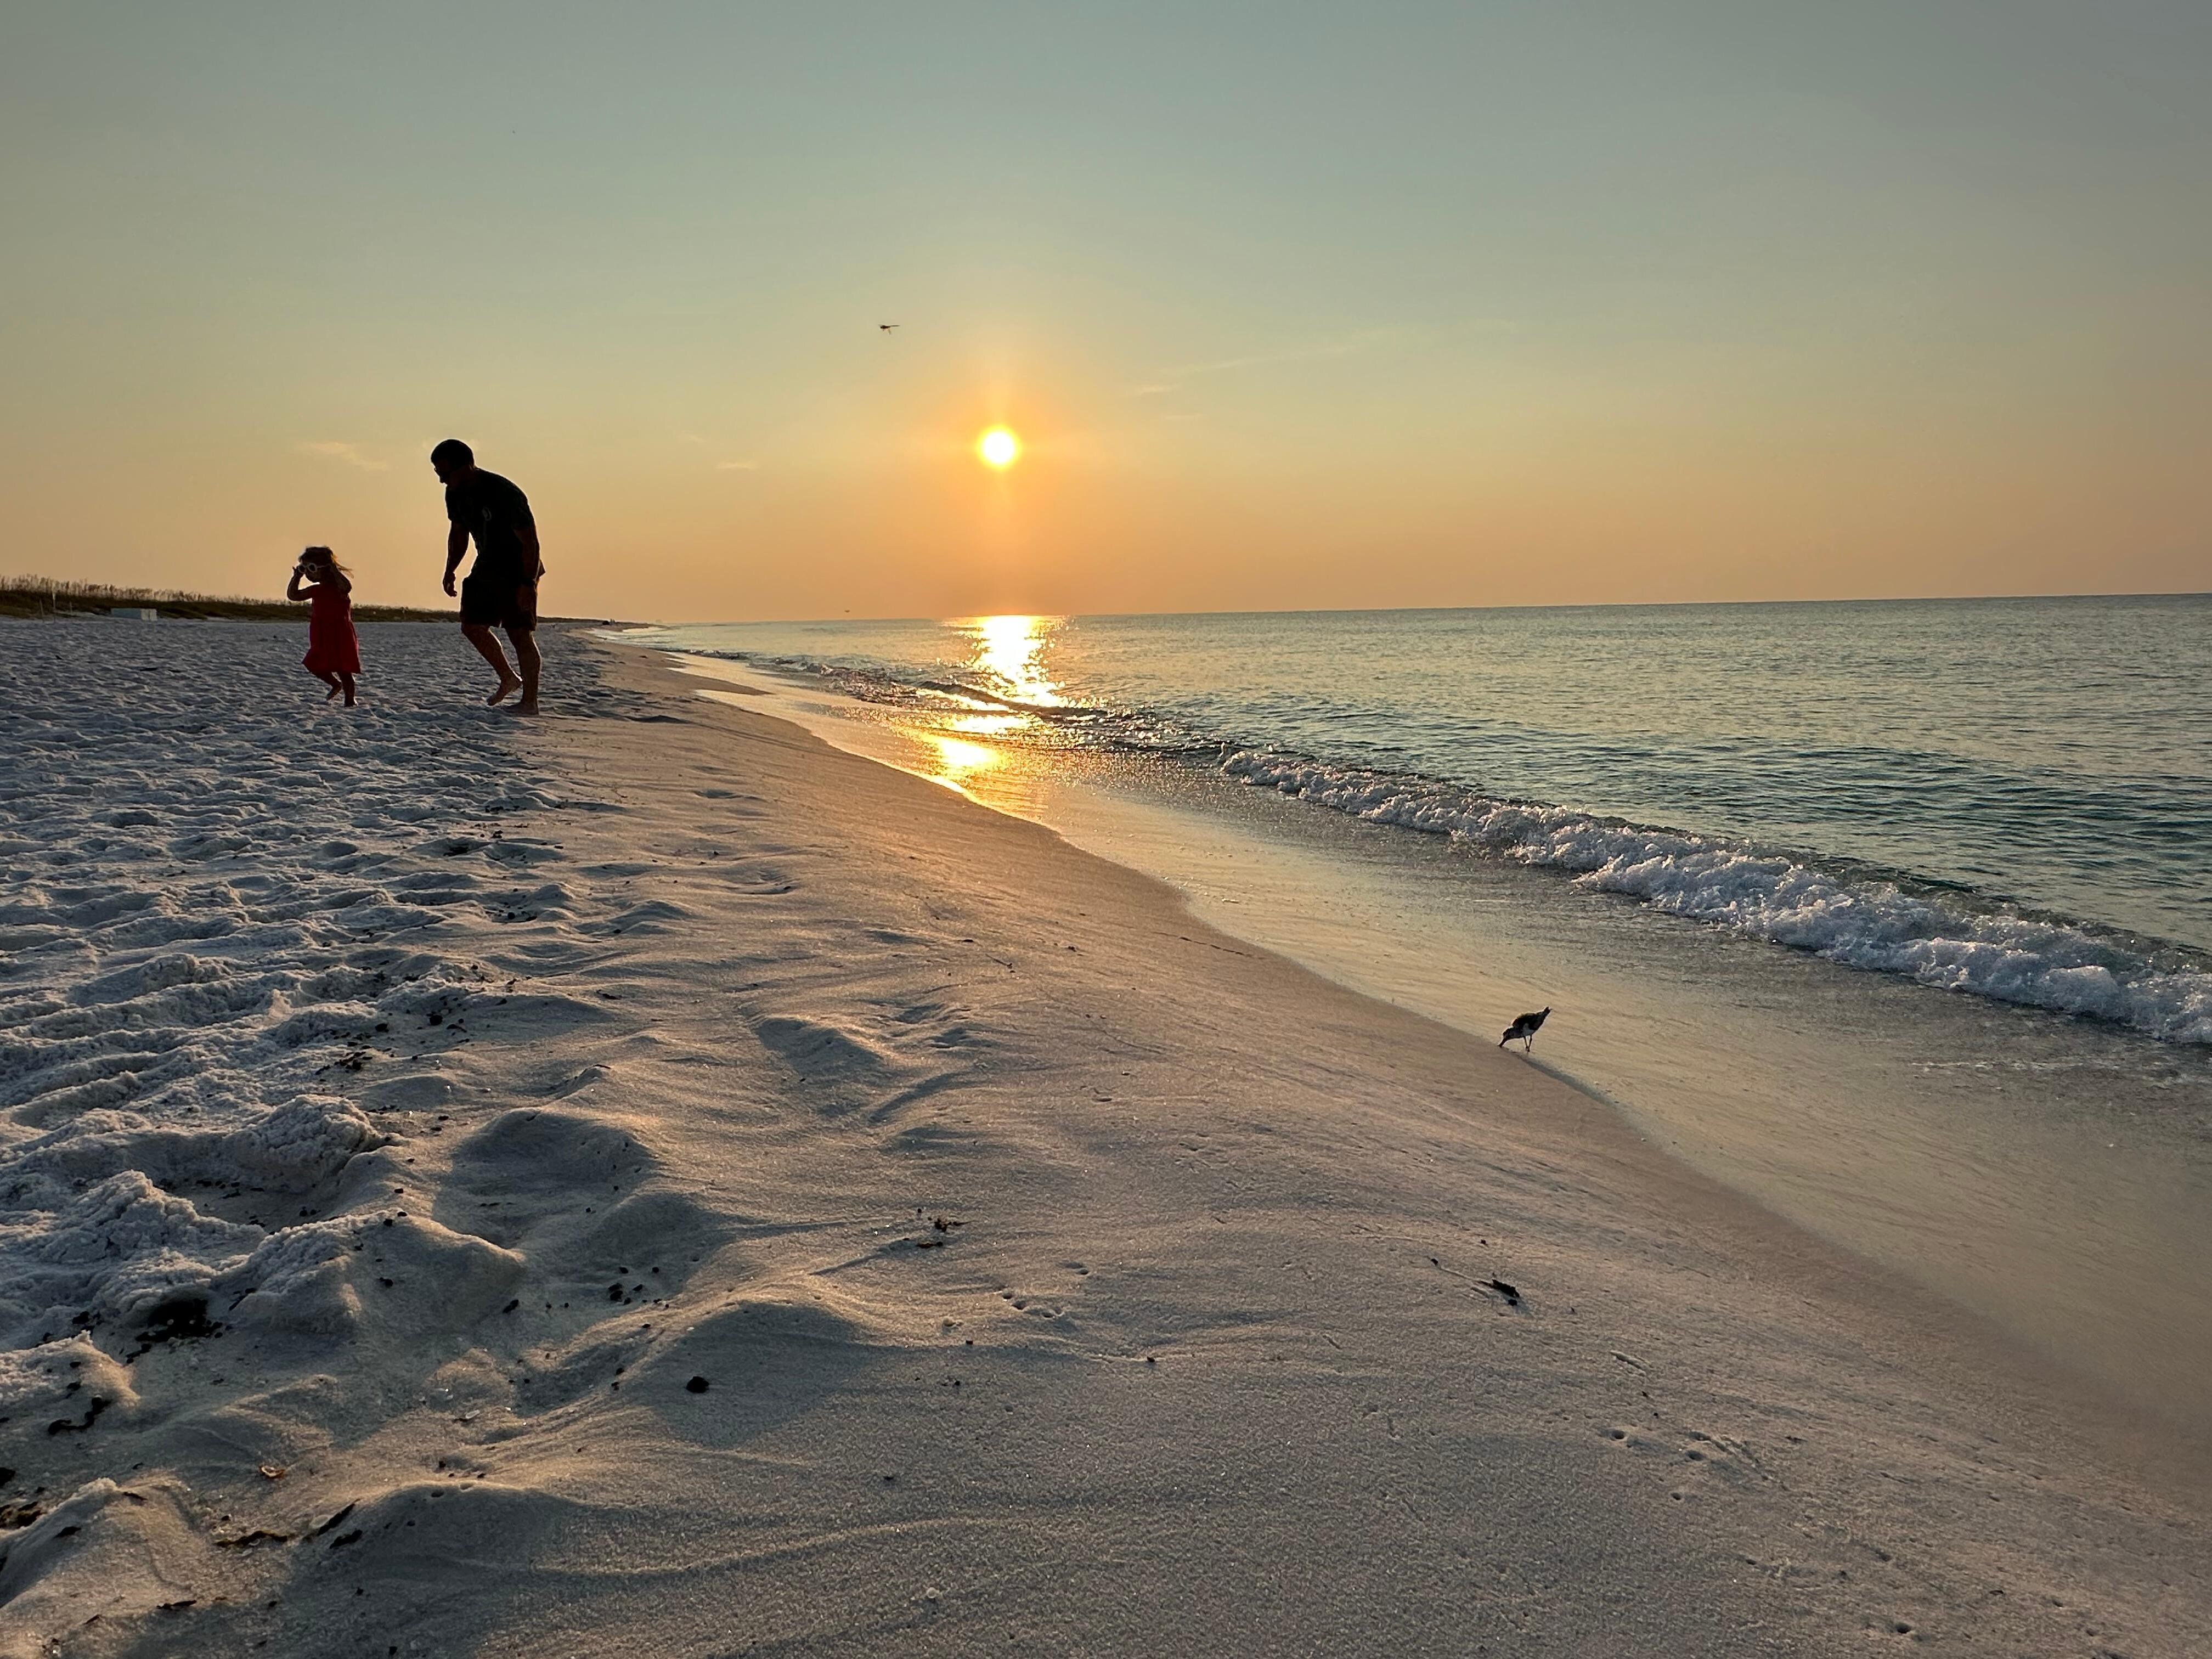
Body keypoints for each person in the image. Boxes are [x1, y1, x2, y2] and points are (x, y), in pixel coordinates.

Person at [431, 438, 544, 713]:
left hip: (519, 567)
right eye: (439, 475)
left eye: (446, 474)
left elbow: (530, 542)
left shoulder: (504, 492)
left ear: (467, 466)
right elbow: (458, 535)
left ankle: (530, 702)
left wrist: (528, 583)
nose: (443, 481)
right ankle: (508, 677)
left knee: (520, 634)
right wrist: (450, 570)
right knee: (472, 625)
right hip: (487, 567)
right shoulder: (454, 495)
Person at [286, 545, 359, 706]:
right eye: (305, 569)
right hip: (321, 633)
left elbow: (347, 587)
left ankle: (350, 700)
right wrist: (297, 577)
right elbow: (294, 595)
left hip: (340, 633)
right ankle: (335, 684)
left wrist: (333, 569)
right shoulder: (317, 590)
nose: (309, 574)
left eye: (312, 568)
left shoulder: (339, 588)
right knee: (314, 663)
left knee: (343, 669)